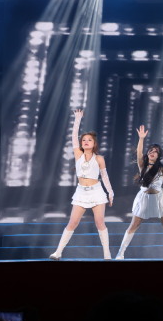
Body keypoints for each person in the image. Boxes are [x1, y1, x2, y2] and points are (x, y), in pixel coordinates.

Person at [49, 109, 114, 260]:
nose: (86, 141)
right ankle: (58, 252)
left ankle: (107, 254)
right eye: (84, 140)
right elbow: (73, 136)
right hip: (81, 192)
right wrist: (77, 118)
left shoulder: (99, 158)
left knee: (100, 223)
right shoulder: (78, 154)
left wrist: (110, 193)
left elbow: (105, 177)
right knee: (72, 222)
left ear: (94, 143)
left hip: (97, 192)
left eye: (89, 140)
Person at [115, 126, 163, 259]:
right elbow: (139, 152)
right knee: (133, 225)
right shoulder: (142, 165)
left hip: (159, 199)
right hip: (144, 198)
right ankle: (120, 253)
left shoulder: (162, 169)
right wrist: (141, 139)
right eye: (151, 150)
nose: (152, 152)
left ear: (159, 155)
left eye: (156, 151)